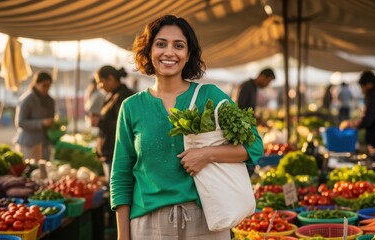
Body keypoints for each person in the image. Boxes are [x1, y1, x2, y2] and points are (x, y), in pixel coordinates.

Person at [110, 15, 263, 240]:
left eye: (179, 46)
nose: (169, 52)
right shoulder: (131, 107)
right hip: (148, 223)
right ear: (149, 50)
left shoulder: (210, 97)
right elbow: (121, 175)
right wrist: (123, 236)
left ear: (188, 54)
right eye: (161, 44)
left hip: (207, 219)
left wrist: (207, 154)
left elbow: (254, 146)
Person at [91, 65, 133, 182]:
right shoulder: (112, 95)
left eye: (101, 82)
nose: (99, 86)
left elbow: (126, 125)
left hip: (116, 153)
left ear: (110, 78)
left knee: (116, 192)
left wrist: (101, 122)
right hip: (109, 152)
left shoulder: (124, 96)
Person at [13, 71, 55, 161]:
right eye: (44, 85)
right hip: (29, 144)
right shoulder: (26, 100)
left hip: (44, 143)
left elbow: (52, 117)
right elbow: (20, 122)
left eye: (49, 86)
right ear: (36, 83)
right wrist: (41, 123)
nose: (46, 88)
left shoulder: (50, 100)